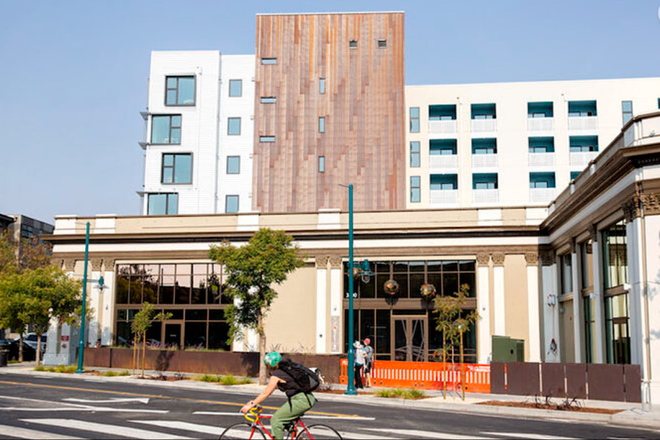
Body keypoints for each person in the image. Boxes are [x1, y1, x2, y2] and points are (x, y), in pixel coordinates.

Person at [240, 352, 317, 440]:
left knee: (276, 420)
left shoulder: (277, 374)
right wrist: (255, 401)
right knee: (286, 420)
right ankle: (300, 438)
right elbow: (274, 387)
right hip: (304, 398)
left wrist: (252, 404)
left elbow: (266, 393)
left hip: (301, 400)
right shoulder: (284, 371)